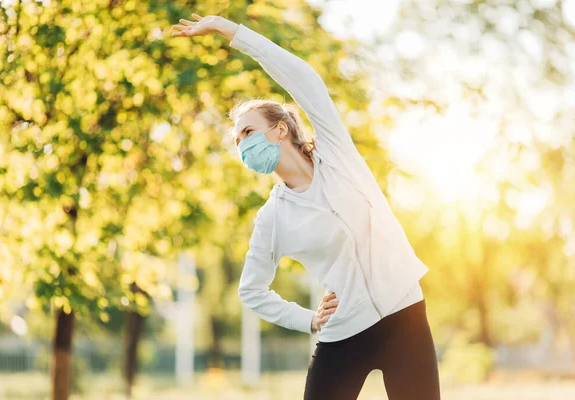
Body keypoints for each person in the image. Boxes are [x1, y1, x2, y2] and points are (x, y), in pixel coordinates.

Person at [173, 13, 441, 400]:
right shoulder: (273, 217)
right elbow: (251, 289)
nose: (242, 145)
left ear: (280, 128)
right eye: (236, 141)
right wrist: (308, 319)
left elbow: (301, 76)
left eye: (248, 131)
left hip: (405, 314)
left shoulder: (337, 155)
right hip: (343, 333)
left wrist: (228, 30)